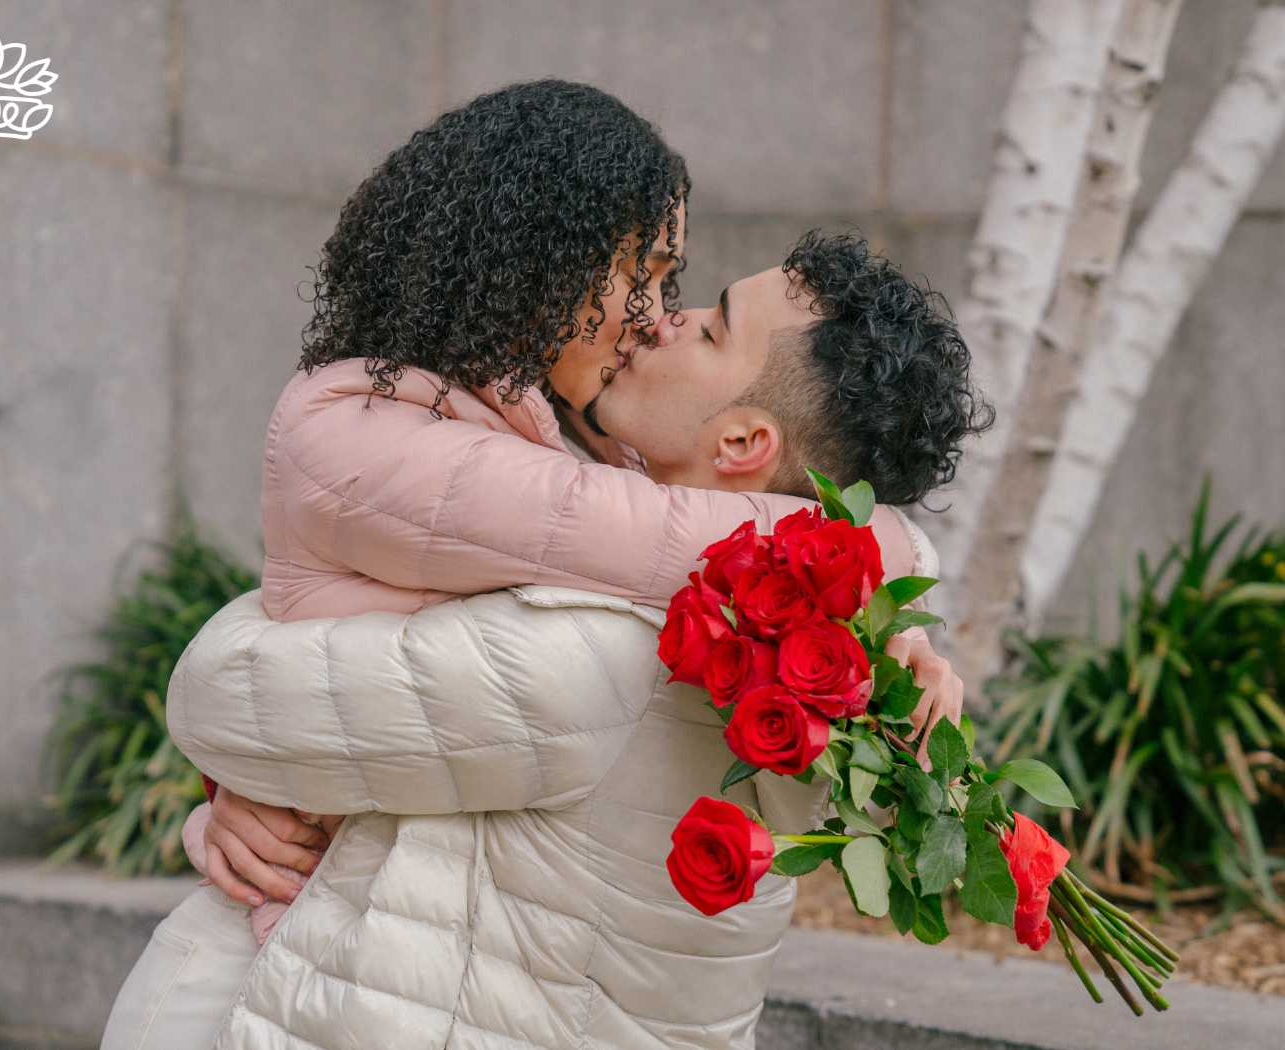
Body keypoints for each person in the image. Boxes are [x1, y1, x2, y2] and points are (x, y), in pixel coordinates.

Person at [100, 226, 988, 1049]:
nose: (662, 319)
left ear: (746, 440)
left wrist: (244, 790)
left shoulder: (603, 653)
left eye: (712, 328)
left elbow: (227, 700)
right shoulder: (797, 672)